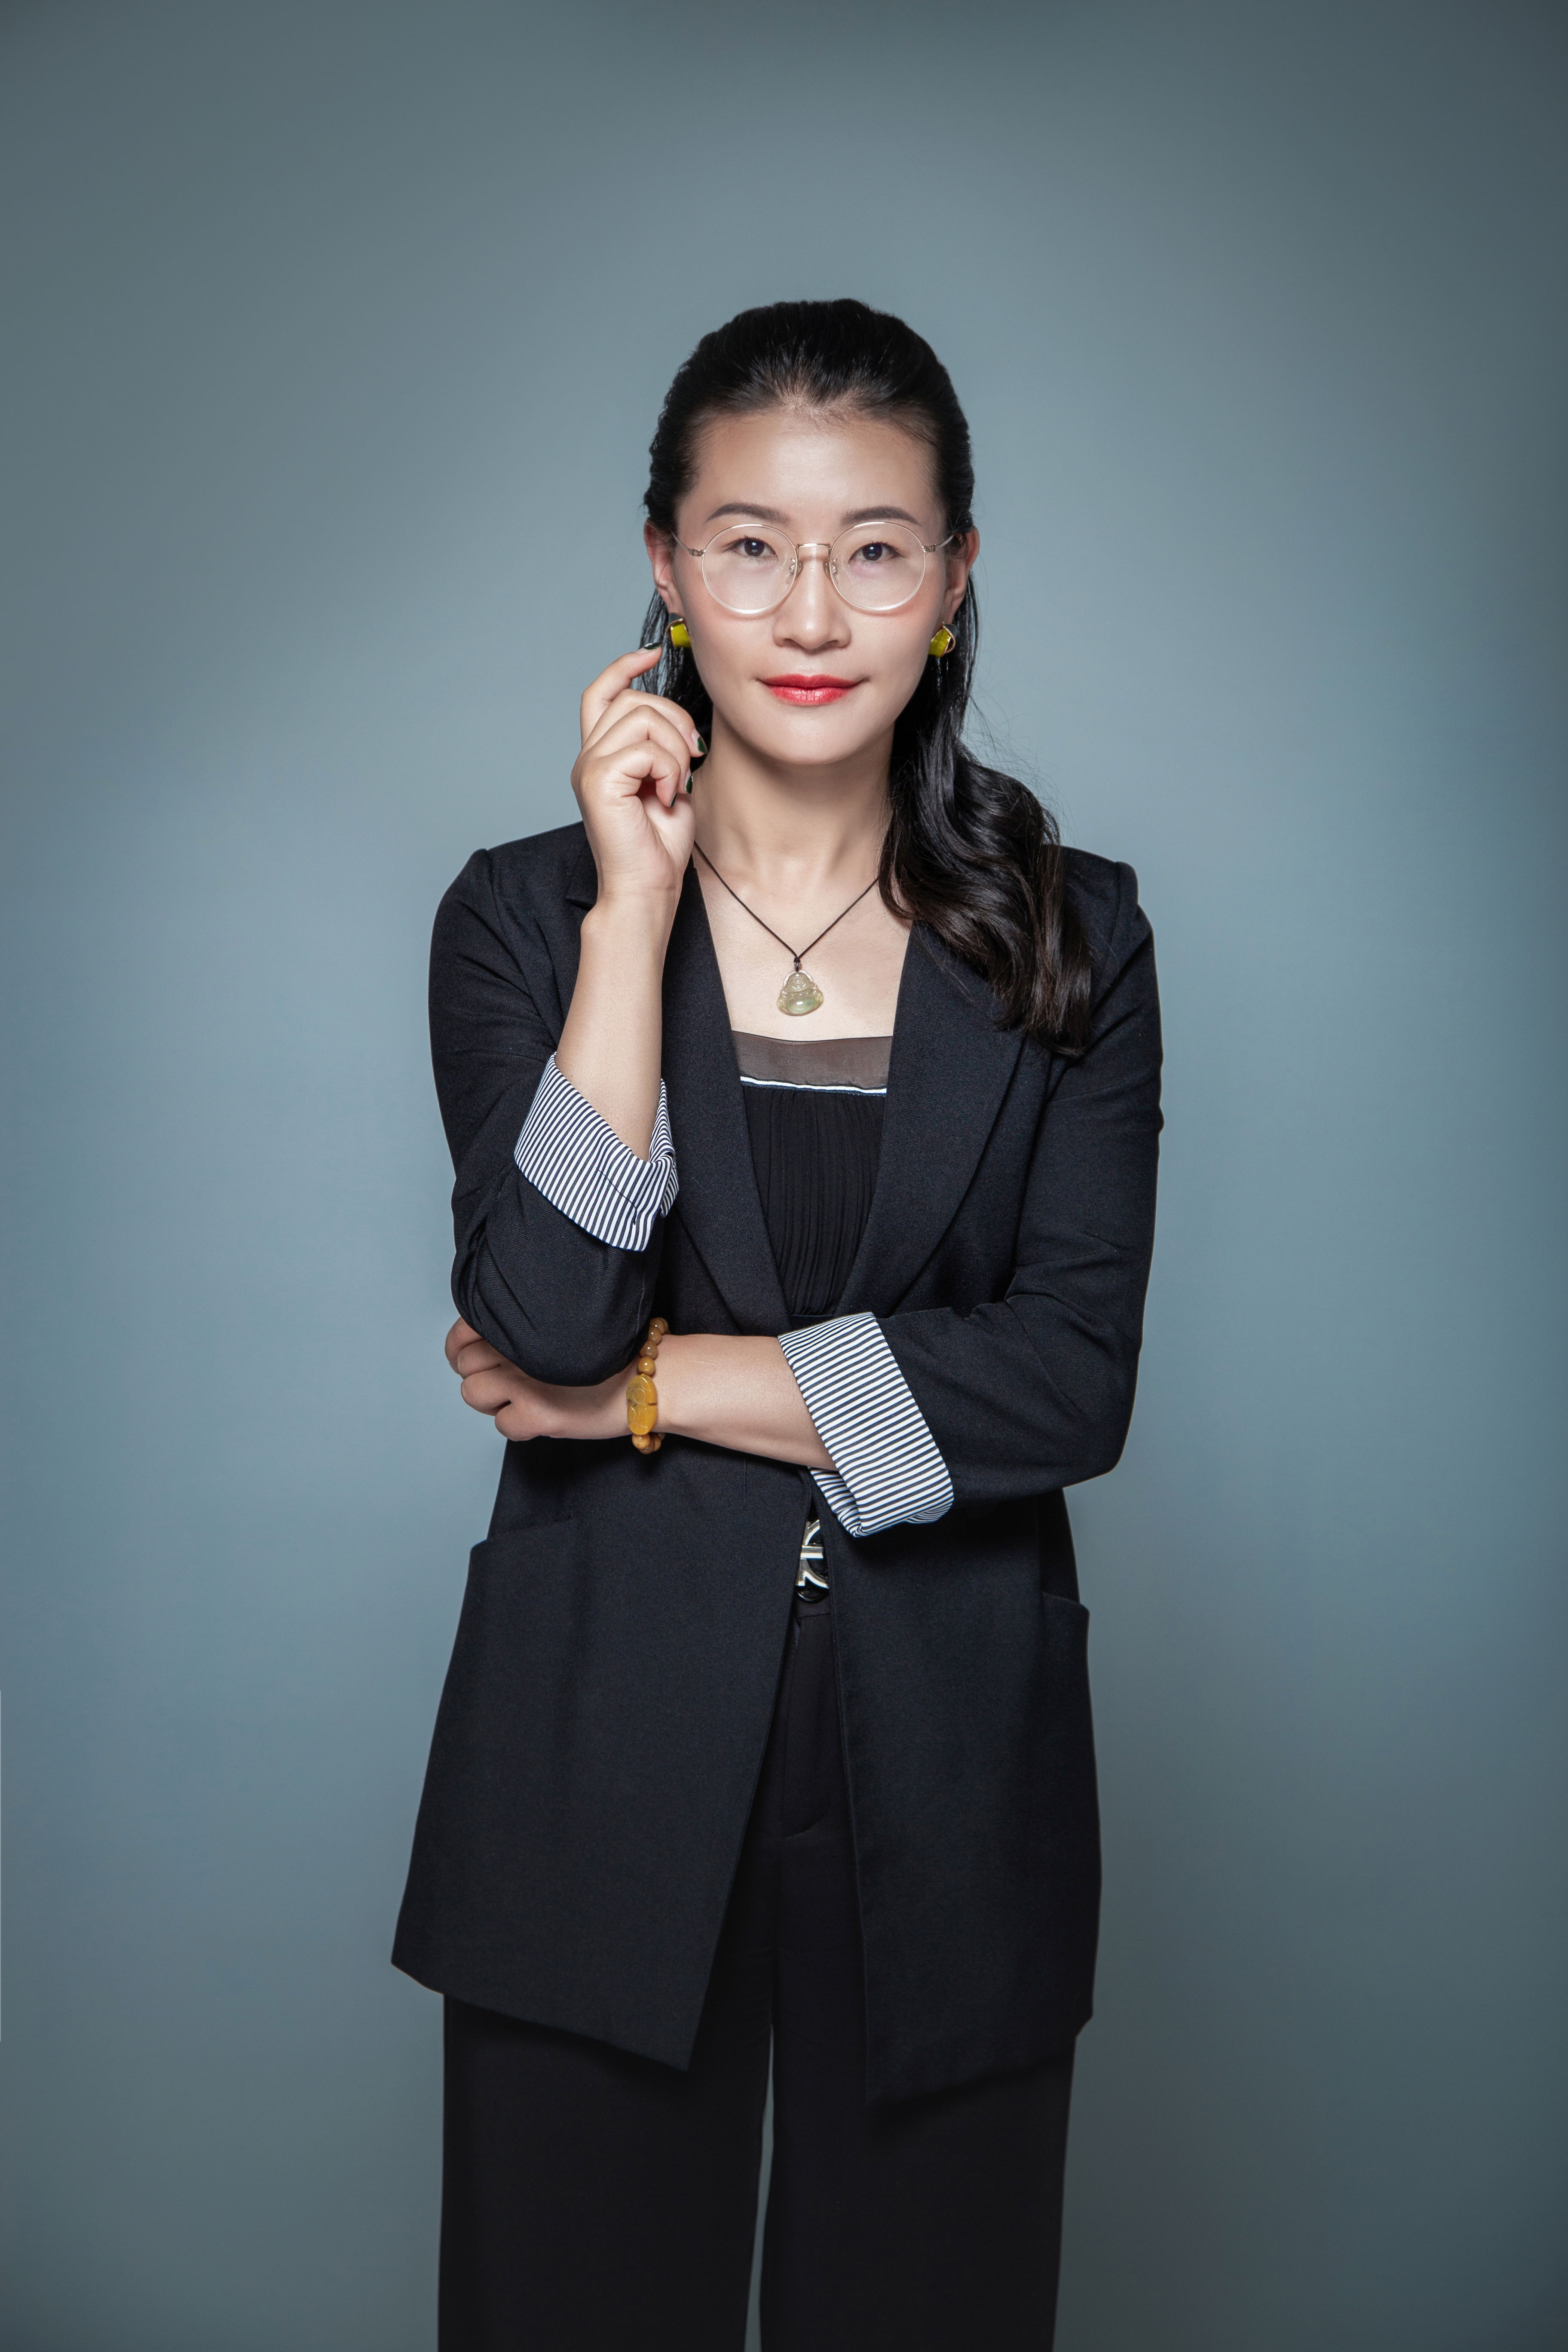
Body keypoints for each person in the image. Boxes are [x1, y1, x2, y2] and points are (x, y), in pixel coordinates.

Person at [393, 298, 1162, 2351]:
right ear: (665, 563)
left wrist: (647, 1391)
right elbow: (547, 1305)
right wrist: (633, 912)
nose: (812, 611)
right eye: (750, 545)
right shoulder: (521, 917)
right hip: (599, 1751)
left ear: (955, 578)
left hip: (955, 1768)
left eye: (875, 548)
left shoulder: (1077, 931)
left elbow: (1068, 1384)